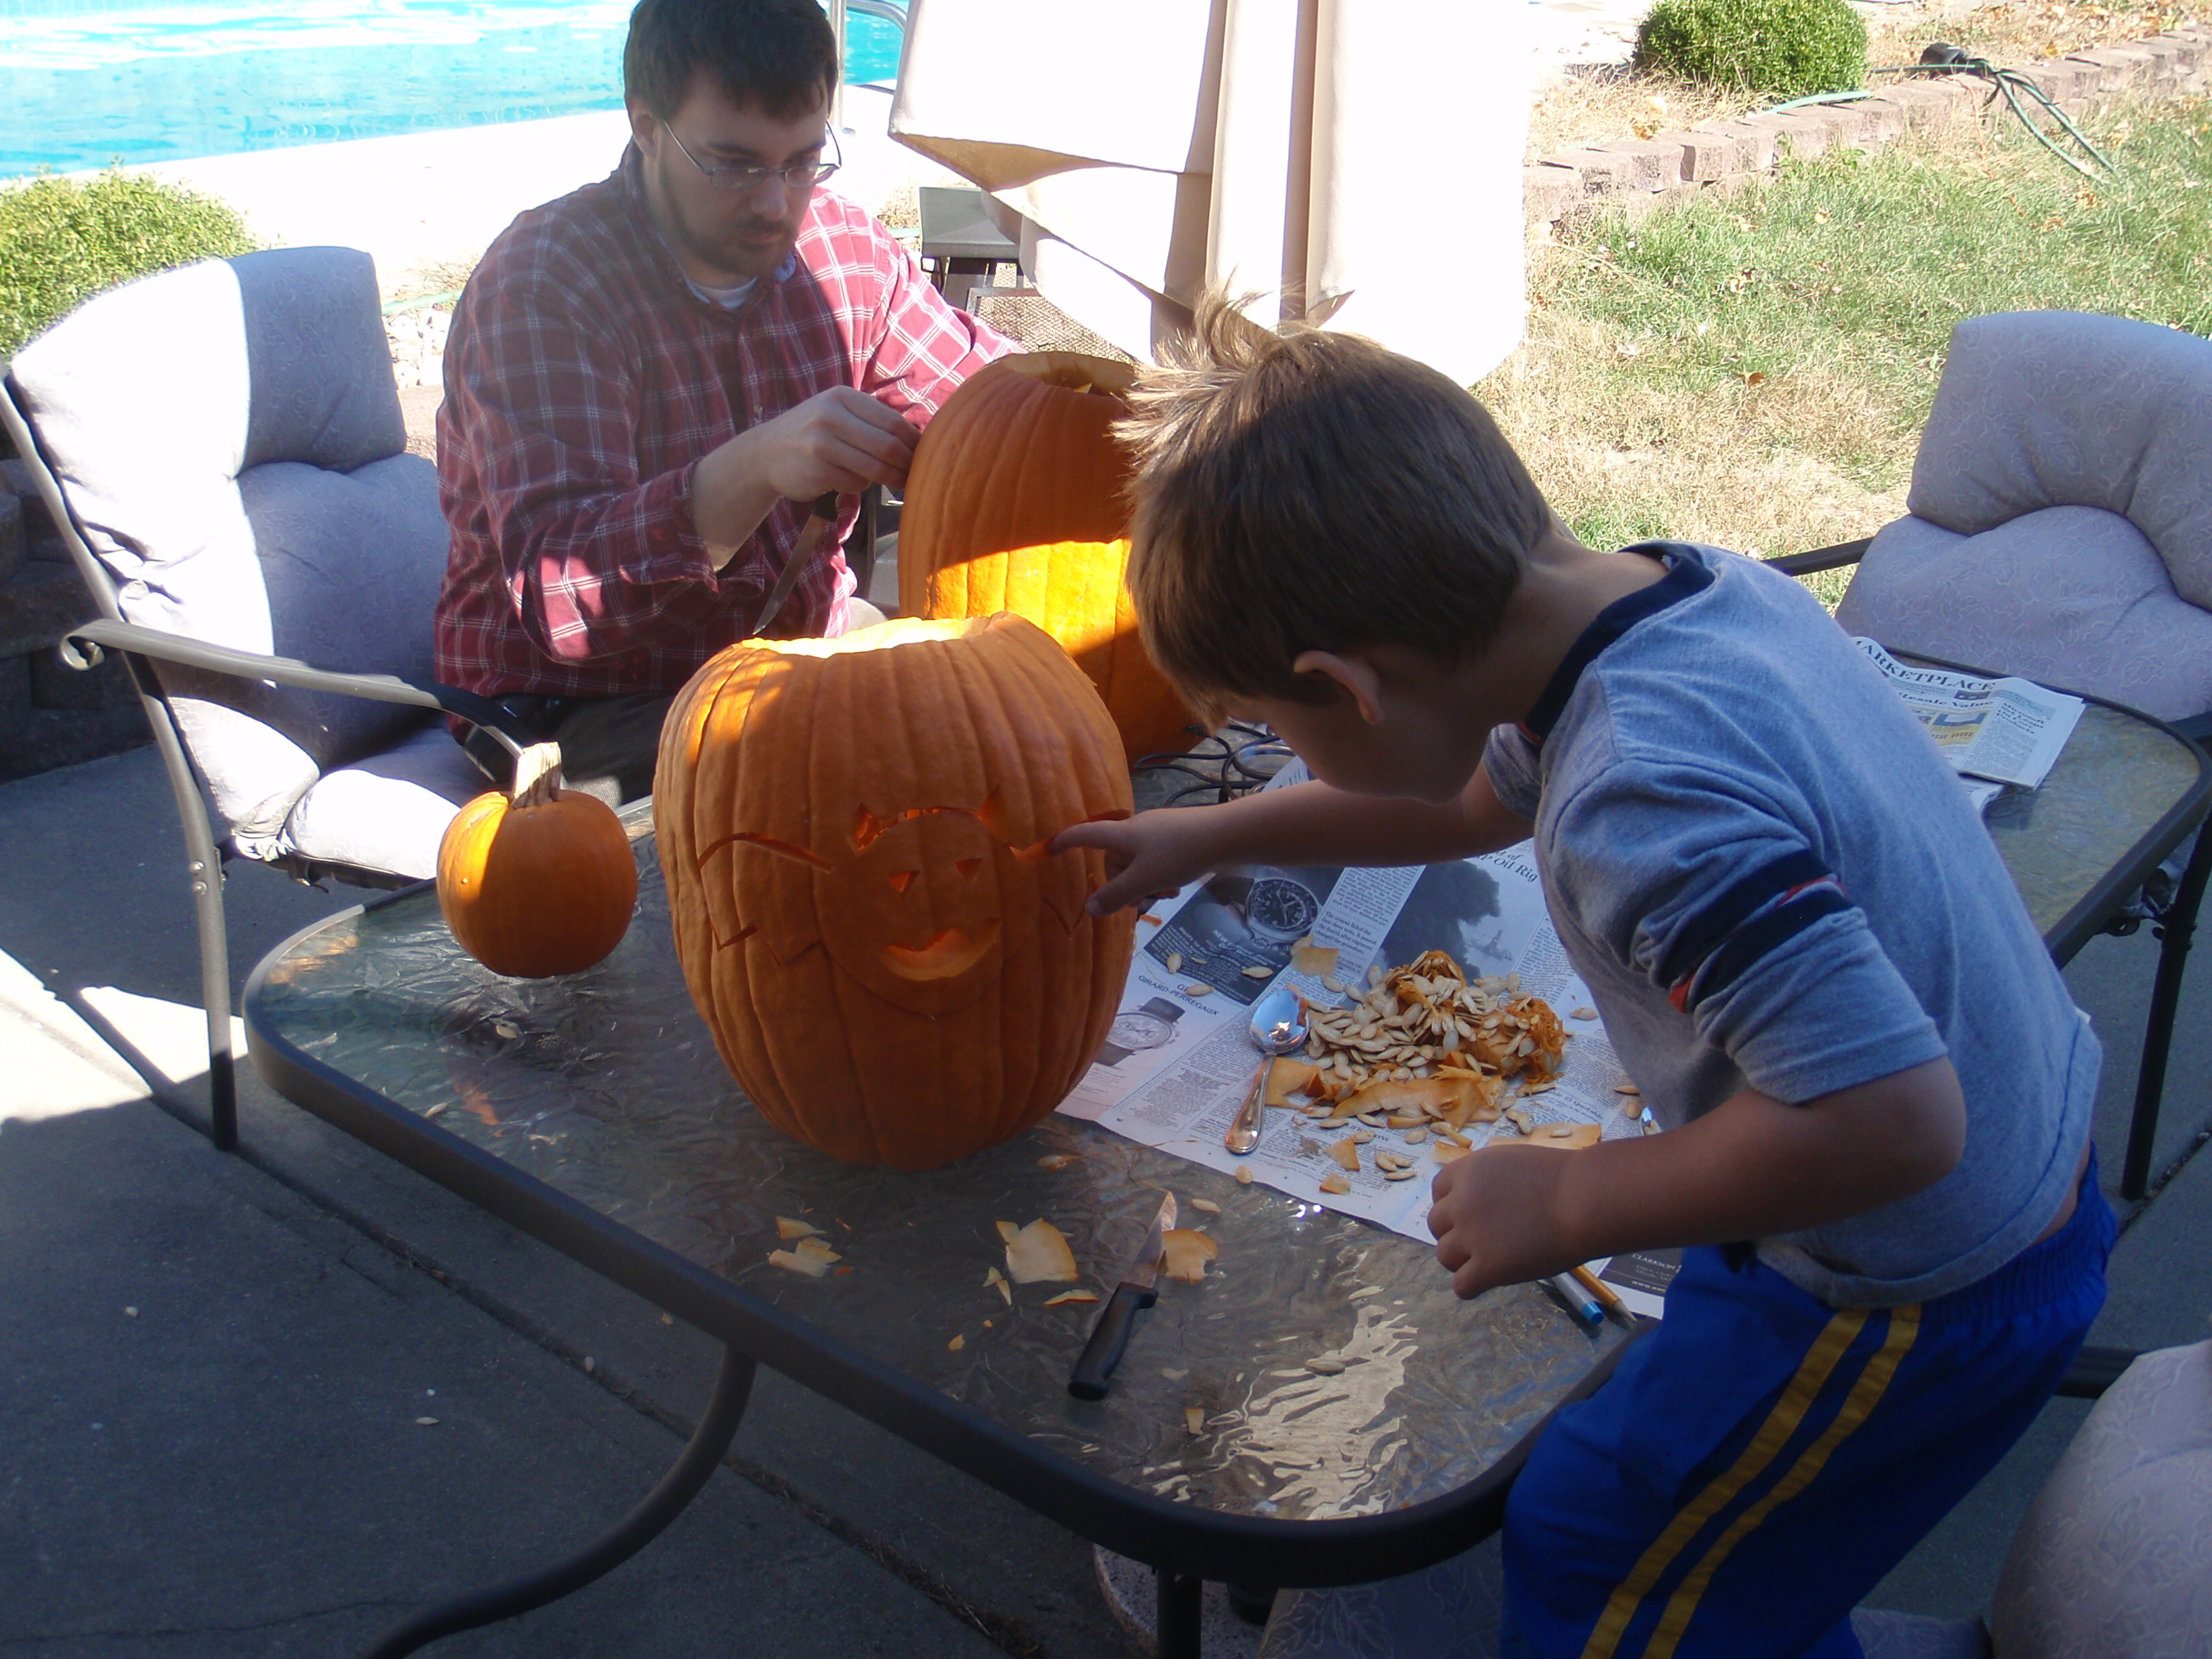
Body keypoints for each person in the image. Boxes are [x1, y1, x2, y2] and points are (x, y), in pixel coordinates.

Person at [1053, 304, 2110, 1659]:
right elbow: (1464, 805)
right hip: (2013, 1155)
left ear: (1349, 686)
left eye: (1277, 733)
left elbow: (1894, 1119)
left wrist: (1570, 1199)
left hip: (1910, 1278)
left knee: (1619, 1560)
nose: (1284, 758)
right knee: (1702, 1529)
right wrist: (1215, 832)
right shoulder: (1673, 598)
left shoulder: (1641, 800)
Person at [434, 0, 1013, 804]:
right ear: (646, 127)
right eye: (734, 165)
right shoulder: (545, 285)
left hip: (790, 657)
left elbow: (1002, 414)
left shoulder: (846, 254)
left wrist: (1141, 422)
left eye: (802, 161)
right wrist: (756, 467)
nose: (776, 204)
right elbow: (564, 606)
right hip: (568, 707)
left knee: (1008, 699)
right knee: (868, 764)